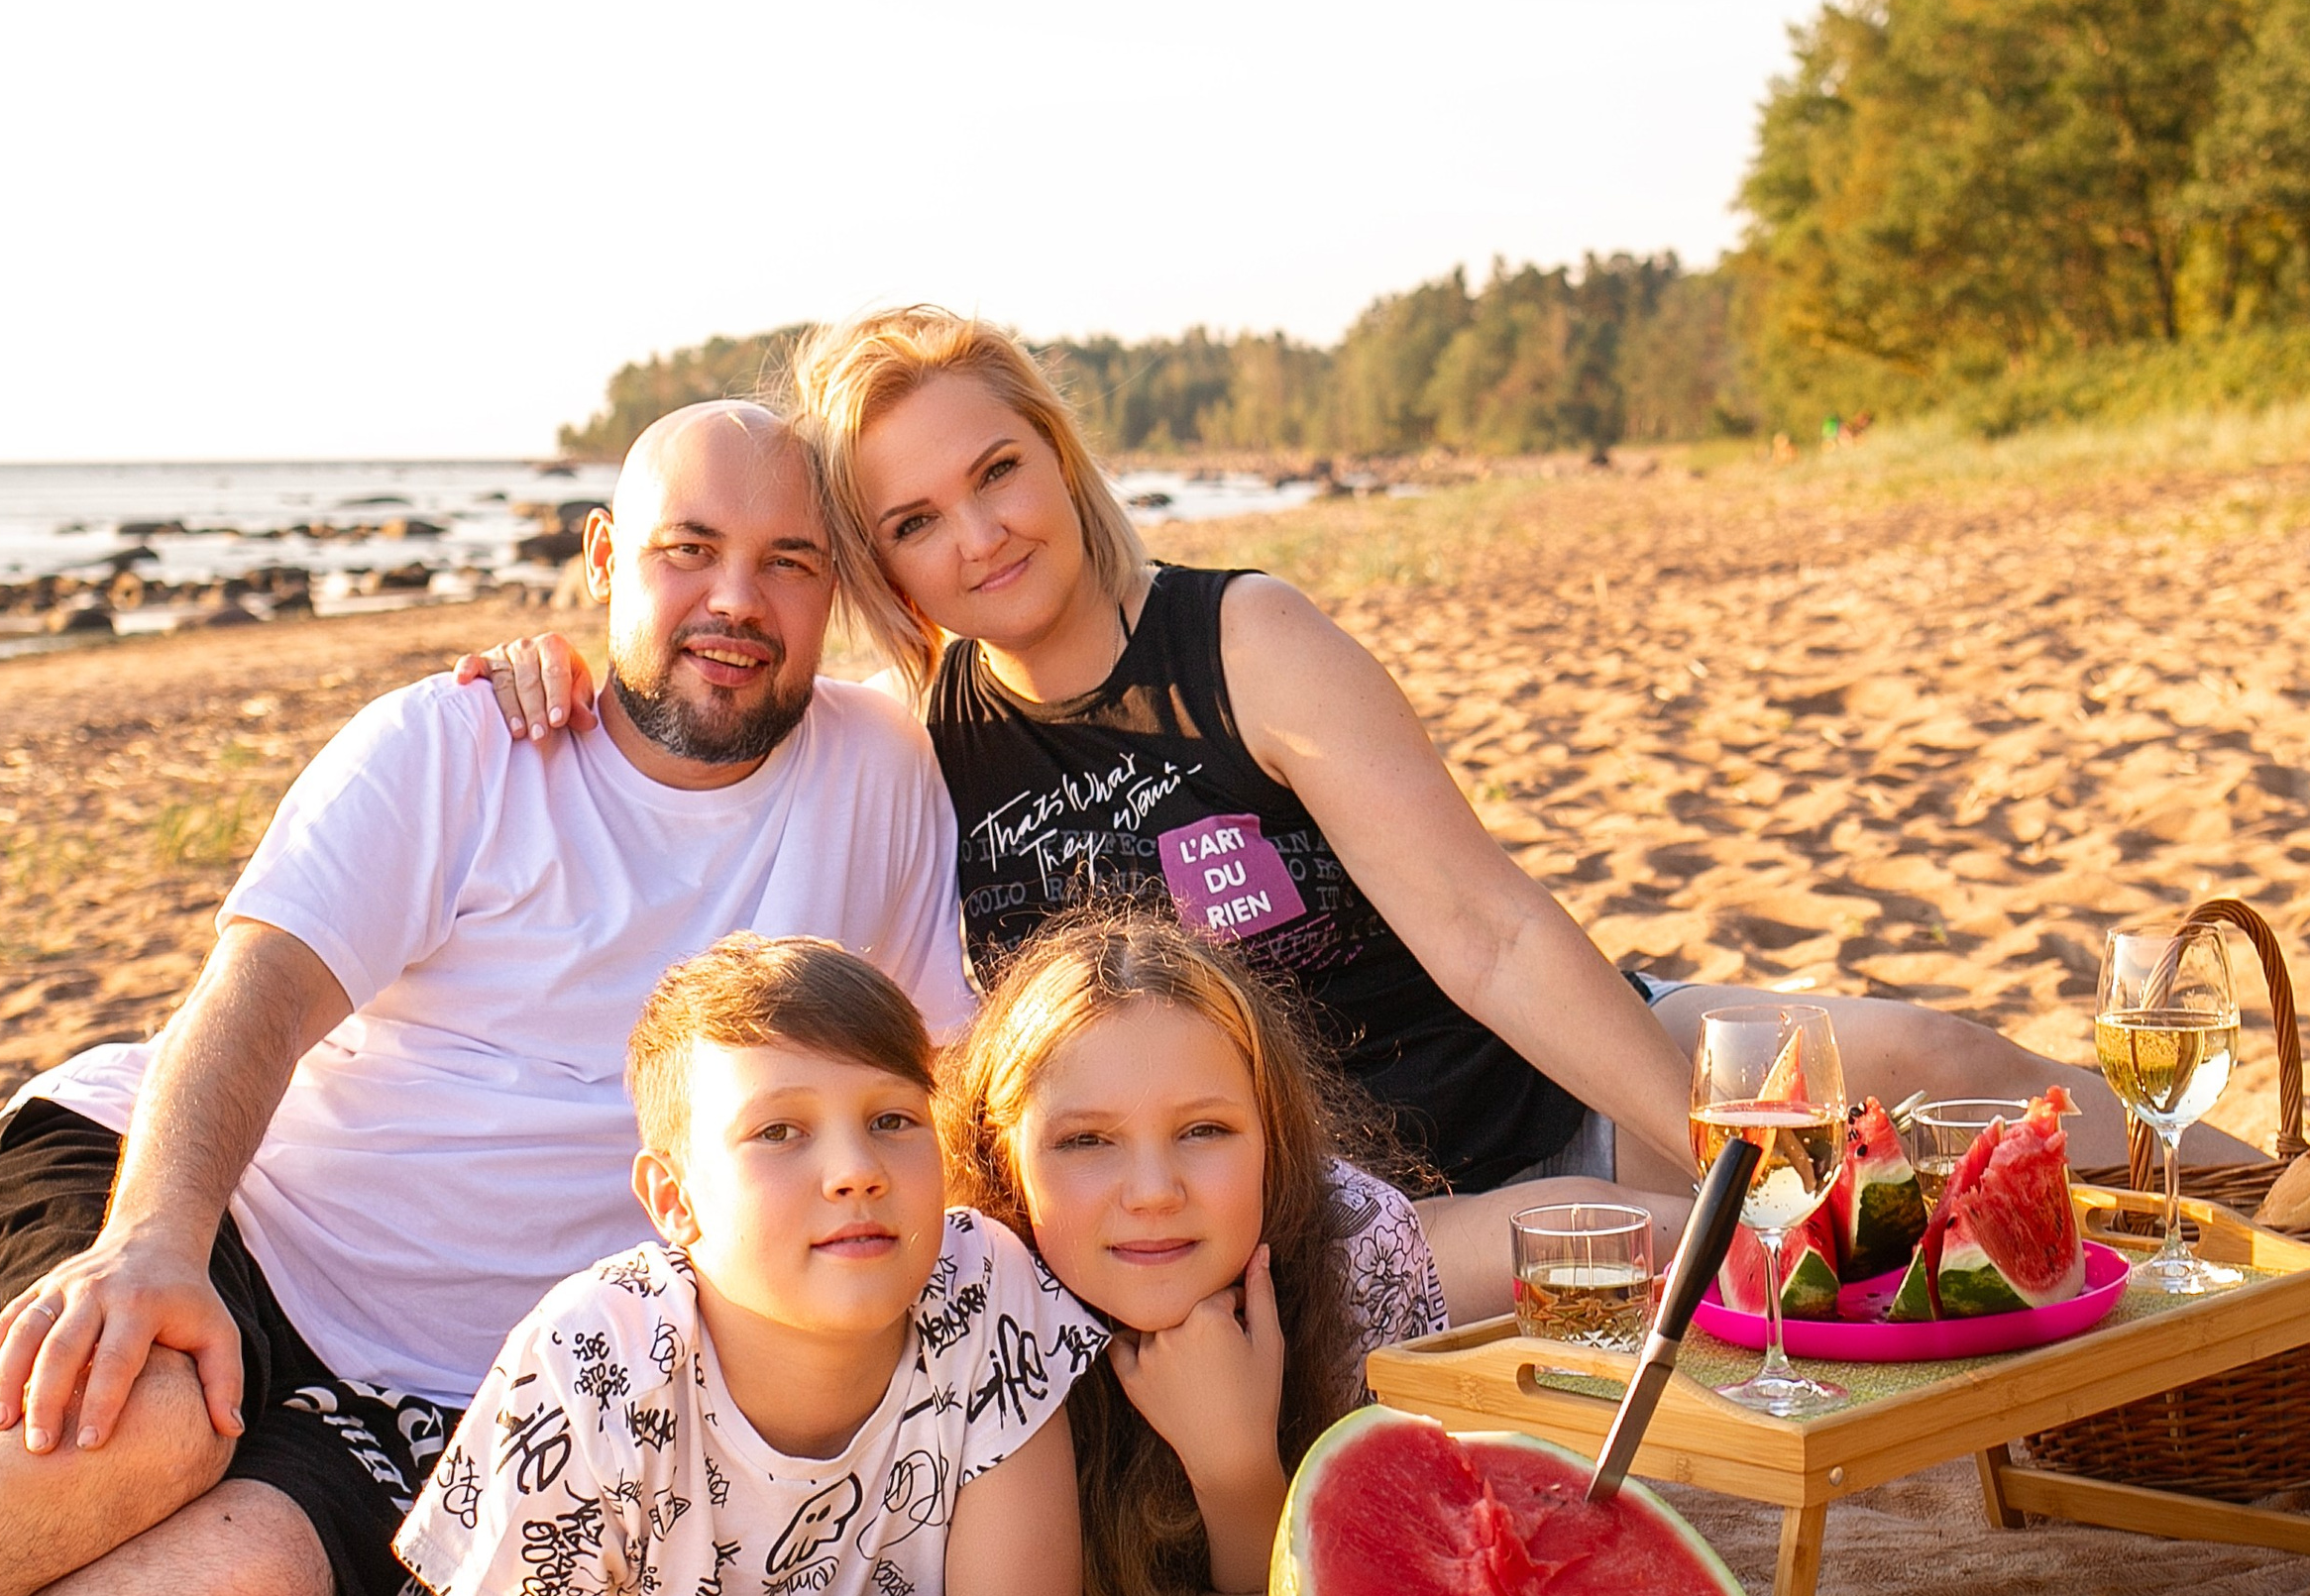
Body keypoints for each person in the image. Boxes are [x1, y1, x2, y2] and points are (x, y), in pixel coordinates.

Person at [466, 310, 2212, 1316]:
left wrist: (1707, 1128)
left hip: (1563, 1083)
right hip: (1318, 1232)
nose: (980, 533)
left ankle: (2254, 1208)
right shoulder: (905, 740)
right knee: (1684, 1261)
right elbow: (712, 700)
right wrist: (563, 657)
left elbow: (1493, 929)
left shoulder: (1245, 639)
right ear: (883, 568)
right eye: (916, 521)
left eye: (996, 471)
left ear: (1057, 456)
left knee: (1934, 1064)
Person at [0, 403, 976, 1596]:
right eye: (688, 551)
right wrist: (154, 1245)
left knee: (243, 1593)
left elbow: (953, 1065)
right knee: (149, 1430)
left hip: (429, 1402)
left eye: (789, 564)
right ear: (603, 559)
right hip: (201, 1200)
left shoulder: (883, 774)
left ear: (836, 591)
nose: (735, 603)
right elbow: (256, 992)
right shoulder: (465, 744)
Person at [391, 936, 1120, 1596]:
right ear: (675, 1199)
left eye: (893, 1118)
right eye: (779, 1131)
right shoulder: (587, 1367)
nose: (855, 1167)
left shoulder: (980, 1290)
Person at [939, 906, 1444, 1596]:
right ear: (1001, 1161)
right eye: (1086, 1141)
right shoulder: (960, 1302)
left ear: (1272, 1133)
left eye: (1204, 1131)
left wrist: (1234, 1464)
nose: (1152, 1192)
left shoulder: (1362, 1248)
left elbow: (1374, 1594)